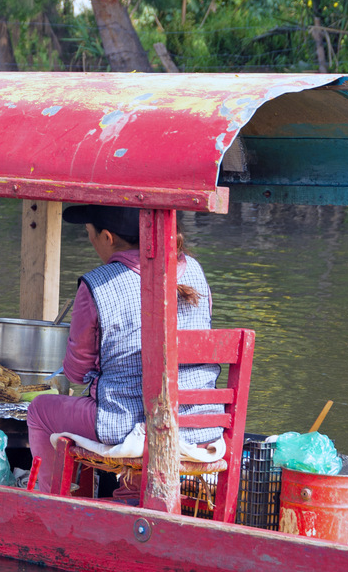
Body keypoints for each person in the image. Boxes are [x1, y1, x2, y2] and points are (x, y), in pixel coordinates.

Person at [25, 205, 221, 494]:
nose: (92, 243)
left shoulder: (97, 285)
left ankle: (50, 502)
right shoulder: (194, 269)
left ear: (107, 237)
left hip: (130, 426)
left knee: (40, 409)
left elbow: (78, 372)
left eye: (90, 235)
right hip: (200, 425)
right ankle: (130, 497)